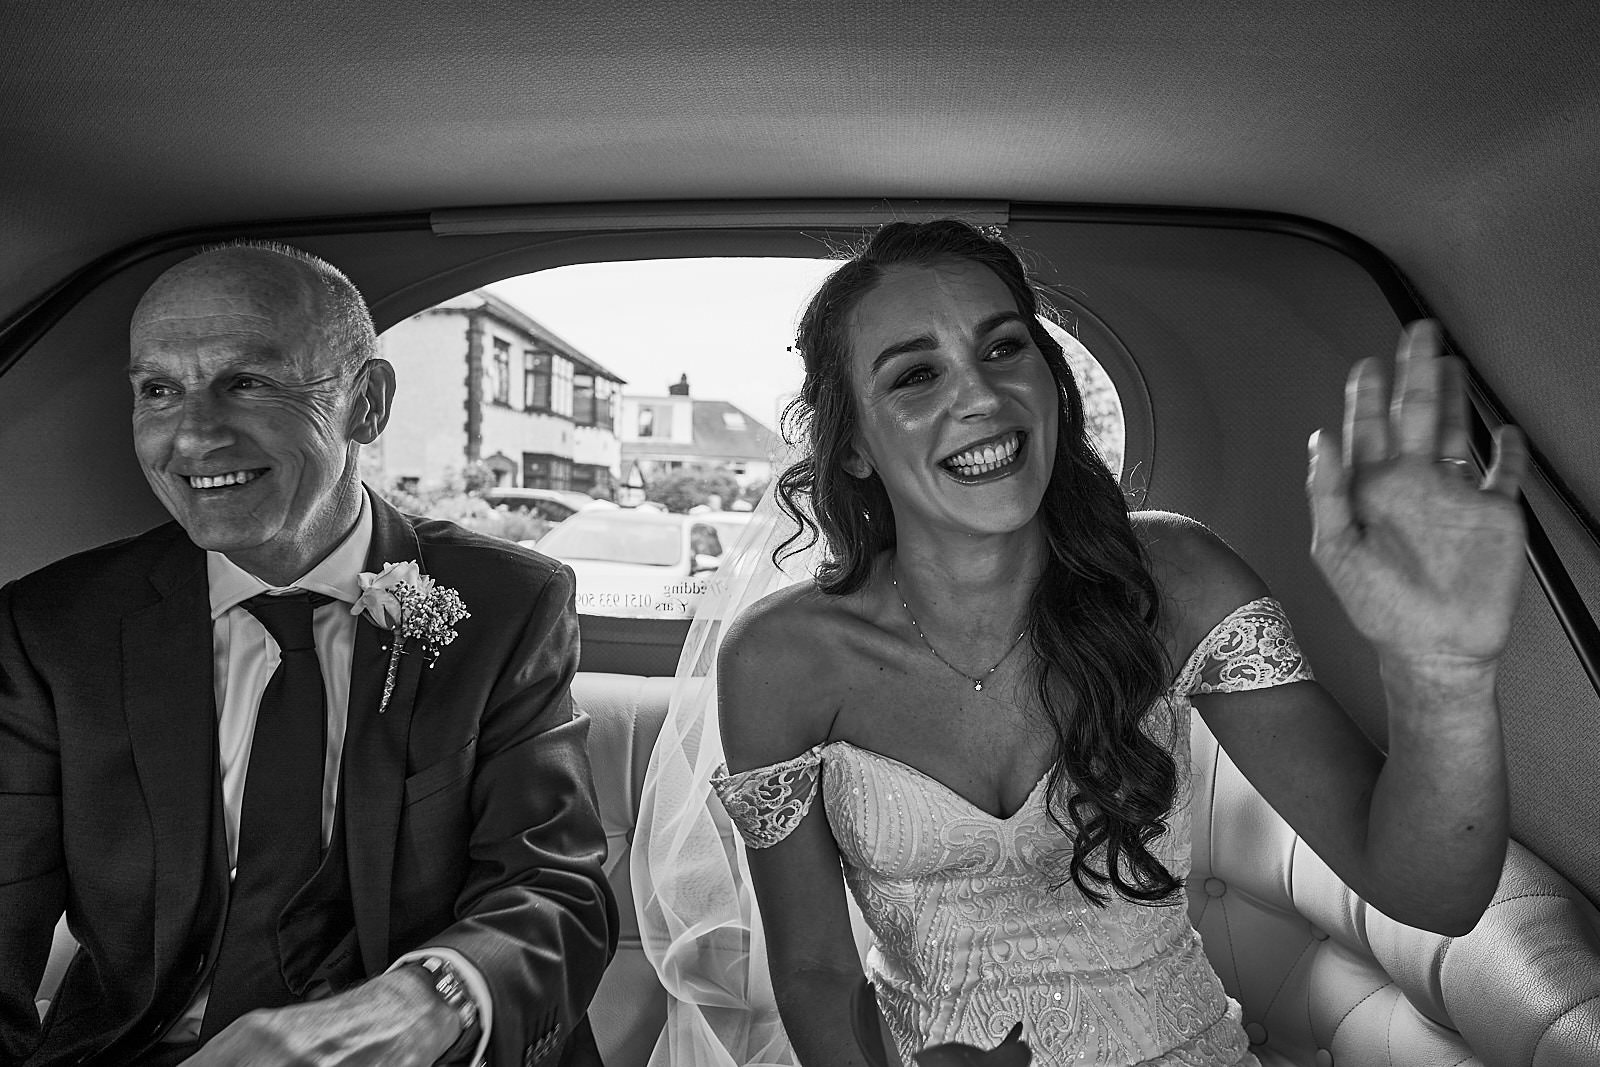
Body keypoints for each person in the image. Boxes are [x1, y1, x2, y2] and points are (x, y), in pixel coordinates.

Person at [634, 219, 1527, 1067]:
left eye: (1003, 348)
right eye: (916, 375)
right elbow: (816, 972)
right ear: (855, 445)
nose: (981, 396)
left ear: (1049, 380)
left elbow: (1434, 893)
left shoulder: (1174, 579)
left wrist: (1442, 672)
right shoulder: (778, 661)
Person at [0, 244, 617, 1066]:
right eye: (159, 390)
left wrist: (420, 1005)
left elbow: (554, 889)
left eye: (248, 382)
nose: (194, 435)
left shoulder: (507, 603)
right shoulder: (53, 628)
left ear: (367, 403)